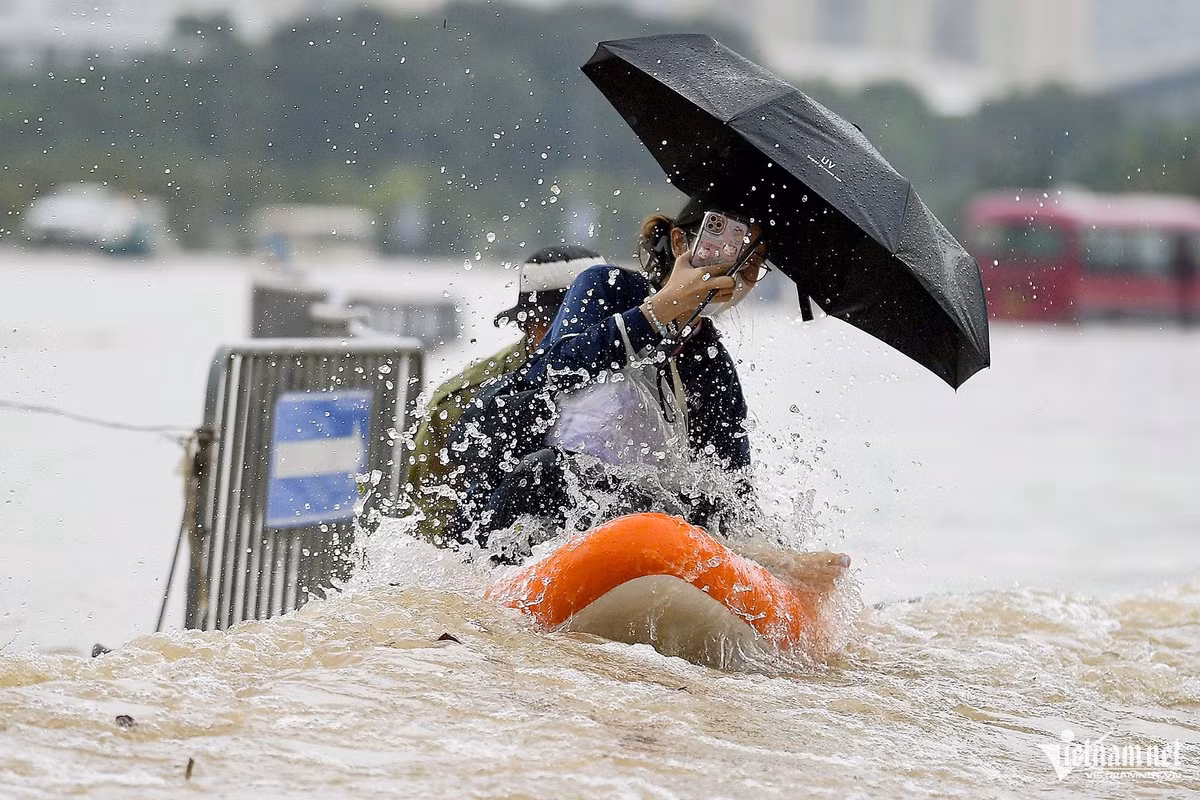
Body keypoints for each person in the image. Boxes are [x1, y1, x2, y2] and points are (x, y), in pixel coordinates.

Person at [449, 198, 771, 557]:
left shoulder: (713, 363)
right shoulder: (609, 286)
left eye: (752, 265)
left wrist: (770, 556)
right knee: (545, 471)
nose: (735, 273)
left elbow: (733, 484)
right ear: (681, 243)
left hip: (638, 512)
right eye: (724, 251)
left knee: (700, 504)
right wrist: (660, 310)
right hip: (540, 487)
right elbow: (558, 368)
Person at [402, 245, 607, 543]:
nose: (580, 337)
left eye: (593, 322)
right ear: (527, 324)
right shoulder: (463, 400)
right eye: (564, 324)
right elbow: (432, 512)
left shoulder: (646, 381)